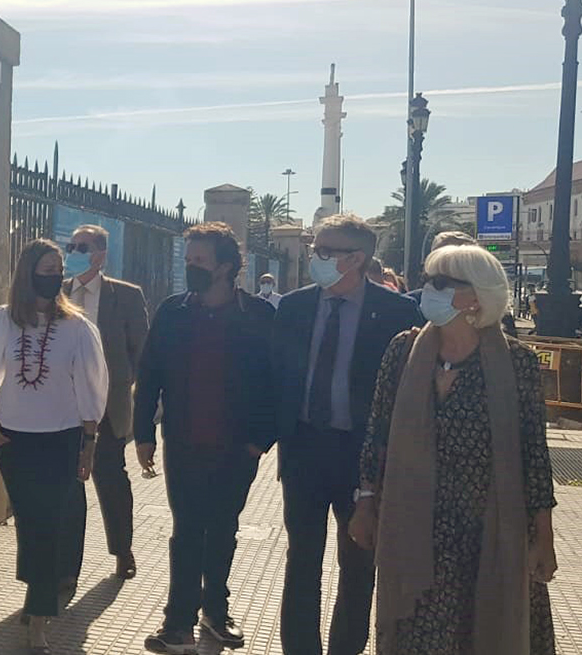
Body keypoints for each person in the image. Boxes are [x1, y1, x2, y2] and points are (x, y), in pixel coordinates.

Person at [350, 245, 557, 655]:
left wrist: (545, 537)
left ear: (477, 295)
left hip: (490, 532)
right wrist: (366, 502)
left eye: (443, 283)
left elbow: (534, 453)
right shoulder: (403, 352)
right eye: (428, 280)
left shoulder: (517, 363)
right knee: (419, 637)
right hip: (415, 529)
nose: (429, 289)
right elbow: (378, 434)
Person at [271, 214, 421, 655]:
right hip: (303, 450)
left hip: (363, 457)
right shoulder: (294, 307)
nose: (313, 257)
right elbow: (274, 374)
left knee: (358, 564)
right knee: (301, 560)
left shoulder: (397, 313)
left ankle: (346, 648)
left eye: (323, 250)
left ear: (354, 259)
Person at [134, 222, 276, 655]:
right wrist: (143, 434)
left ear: (226, 266)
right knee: (187, 531)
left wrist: (260, 440)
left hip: (237, 448)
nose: (190, 266)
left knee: (223, 528)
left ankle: (216, 611)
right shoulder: (173, 311)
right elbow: (150, 373)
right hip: (183, 442)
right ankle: (178, 624)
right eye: (188, 259)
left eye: (199, 260)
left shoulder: (258, 315)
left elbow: (278, 381)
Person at [0, 239, 109, 654]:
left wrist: (89, 442)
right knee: (30, 522)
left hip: (61, 439)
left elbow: (91, 386)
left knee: (48, 523)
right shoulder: (2, 320)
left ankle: (38, 615)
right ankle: (37, 594)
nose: (54, 277)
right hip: (13, 439)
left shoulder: (78, 327)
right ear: (27, 273)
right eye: (46, 270)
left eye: (58, 270)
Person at [62, 225, 149, 580]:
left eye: (82, 247)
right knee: (68, 487)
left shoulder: (125, 296)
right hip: (62, 408)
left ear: (100, 255)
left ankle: (122, 550)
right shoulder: (56, 292)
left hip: (107, 409)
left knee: (111, 480)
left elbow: (141, 352)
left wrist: (121, 387)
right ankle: (67, 567)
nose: (73, 252)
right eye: (71, 246)